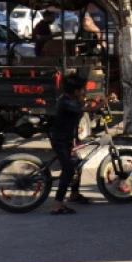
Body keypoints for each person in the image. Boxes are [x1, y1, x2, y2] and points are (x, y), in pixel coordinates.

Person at [48, 73, 102, 214]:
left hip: (68, 139)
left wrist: (91, 100)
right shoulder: (66, 102)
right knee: (69, 170)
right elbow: (90, 109)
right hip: (61, 141)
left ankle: (74, 194)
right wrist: (105, 101)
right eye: (82, 89)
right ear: (76, 91)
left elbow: (82, 104)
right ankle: (57, 204)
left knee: (77, 164)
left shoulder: (70, 99)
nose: (84, 91)